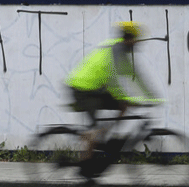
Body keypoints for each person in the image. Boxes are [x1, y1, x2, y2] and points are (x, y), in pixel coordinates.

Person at [65, 21, 161, 160]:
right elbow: (112, 80)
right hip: (83, 89)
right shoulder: (114, 51)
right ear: (129, 39)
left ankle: (103, 138)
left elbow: (136, 75)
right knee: (96, 129)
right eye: (136, 40)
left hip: (94, 88)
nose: (137, 44)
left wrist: (152, 97)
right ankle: (85, 159)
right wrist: (124, 98)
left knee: (122, 107)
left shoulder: (121, 51)